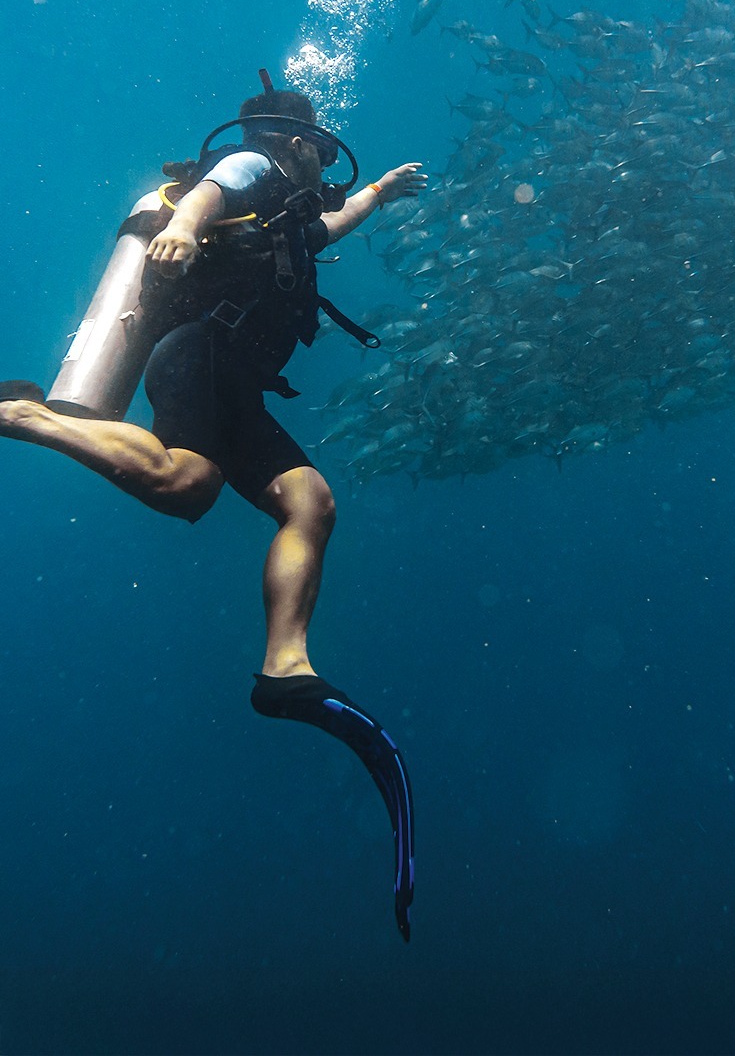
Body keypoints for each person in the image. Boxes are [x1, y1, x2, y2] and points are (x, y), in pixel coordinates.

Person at [0, 74, 424, 940]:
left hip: (241, 387)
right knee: (189, 489)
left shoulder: (295, 210)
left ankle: (285, 668)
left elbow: (331, 227)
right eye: (318, 147)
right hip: (196, 356)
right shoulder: (255, 165)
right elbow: (210, 190)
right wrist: (185, 228)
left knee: (310, 499)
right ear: (298, 140)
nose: (322, 162)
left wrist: (378, 193)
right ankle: (26, 413)